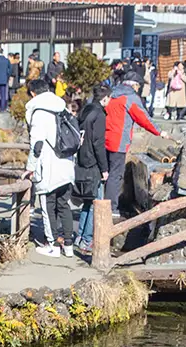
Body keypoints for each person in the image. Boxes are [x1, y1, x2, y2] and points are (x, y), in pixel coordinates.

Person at [24, 79, 75, 257]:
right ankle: (68, 246)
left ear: (32, 93)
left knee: (47, 206)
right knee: (64, 205)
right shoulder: (61, 108)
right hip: (67, 165)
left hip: (49, 167)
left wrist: (30, 168)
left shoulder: (39, 112)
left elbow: (36, 145)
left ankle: (52, 245)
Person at [104, 70, 159, 216]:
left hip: (102, 139)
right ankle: (111, 208)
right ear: (134, 85)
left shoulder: (111, 94)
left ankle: (98, 204)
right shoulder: (130, 98)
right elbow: (144, 118)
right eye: (139, 86)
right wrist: (159, 132)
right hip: (118, 141)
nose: (139, 89)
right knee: (115, 175)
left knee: (104, 173)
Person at [74, 84, 110, 255]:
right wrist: (105, 168)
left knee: (87, 201)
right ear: (104, 99)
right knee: (96, 202)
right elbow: (99, 143)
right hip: (93, 163)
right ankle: (87, 240)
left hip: (81, 161)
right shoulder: (99, 115)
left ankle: (80, 236)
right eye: (109, 98)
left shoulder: (84, 112)